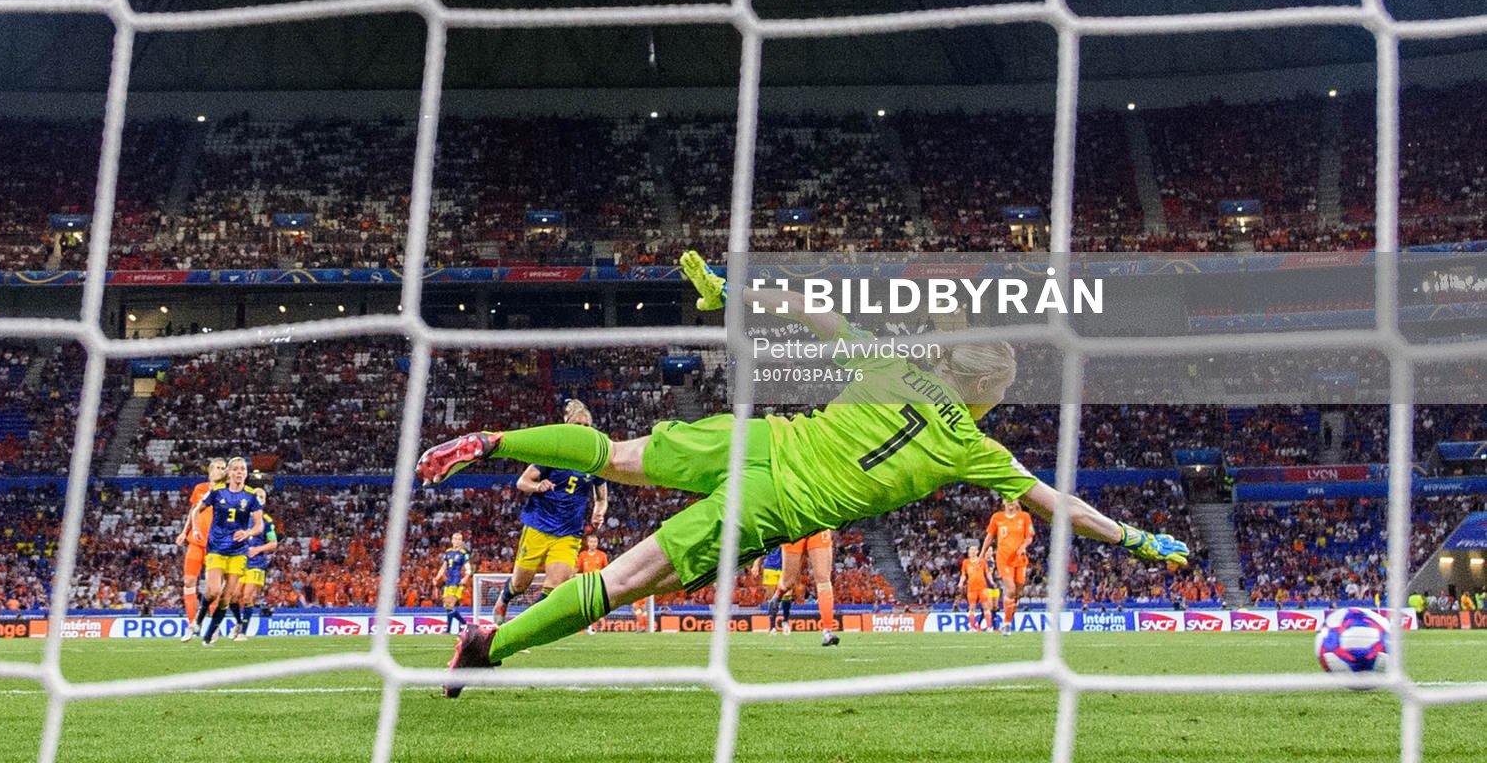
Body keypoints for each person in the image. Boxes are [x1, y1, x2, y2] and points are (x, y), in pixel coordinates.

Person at [421, 252, 1189, 696]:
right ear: (986, 393)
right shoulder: (976, 449)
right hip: (773, 503)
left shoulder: (893, 365)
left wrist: (732, 295)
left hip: (760, 439)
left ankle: (494, 440)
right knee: (625, 580)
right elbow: (1062, 507)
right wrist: (1139, 540)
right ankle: (493, 644)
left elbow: (808, 309)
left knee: (616, 456)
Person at [491, 400, 609, 624]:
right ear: (567, 425)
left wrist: (599, 511)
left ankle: (517, 627)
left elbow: (602, 498)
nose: (582, 430)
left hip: (569, 533)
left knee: (554, 589)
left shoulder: (595, 461)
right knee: (520, 584)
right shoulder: (553, 453)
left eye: (587, 426)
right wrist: (538, 486)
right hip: (539, 525)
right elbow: (522, 481)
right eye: (577, 424)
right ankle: (504, 598)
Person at [198, 456, 264, 646]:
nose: (239, 472)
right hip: (218, 549)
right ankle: (206, 623)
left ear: (246, 473)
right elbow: (198, 510)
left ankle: (211, 633)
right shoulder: (218, 492)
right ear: (229, 472)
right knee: (214, 591)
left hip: (240, 553)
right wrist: (195, 529)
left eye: (242, 469)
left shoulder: (251, 497)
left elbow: (260, 526)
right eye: (235, 469)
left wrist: (248, 532)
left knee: (233, 595)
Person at [174, 459, 223, 642]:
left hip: (215, 545)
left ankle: (213, 628)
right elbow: (193, 511)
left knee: (212, 588)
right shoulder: (200, 488)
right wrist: (183, 531)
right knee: (188, 580)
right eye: (217, 467)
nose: (220, 470)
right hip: (196, 542)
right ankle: (192, 624)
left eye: (222, 468)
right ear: (210, 471)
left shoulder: (226, 491)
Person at [982, 495, 1035, 633]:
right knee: (1010, 590)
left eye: (1013, 502)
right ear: (1004, 502)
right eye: (1008, 502)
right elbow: (989, 537)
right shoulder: (997, 517)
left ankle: (1008, 620)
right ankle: (1006, 623)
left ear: (1017, 502)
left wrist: (1023, 546)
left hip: (1020, 559)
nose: (1011, 505)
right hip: (1004, 558)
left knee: (1018, 593)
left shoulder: (1024, 517)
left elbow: (1029, 537)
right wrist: (982, 554)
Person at [232, 486, 277, 641]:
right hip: (239, 562)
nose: (258, 498)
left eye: (261, 497)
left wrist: (257, 549)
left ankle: (243, 632)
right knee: (233, 596)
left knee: (247, 597)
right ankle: (239, 623)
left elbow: (273, 544)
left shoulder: (267, 522)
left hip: (256, 563)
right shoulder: (239, 517)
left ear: (264, 502)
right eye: (256, 495)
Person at [779, 529, 840, 646]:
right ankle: (777, 599)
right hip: (794, 525)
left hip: (818, 524)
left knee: (823, 579)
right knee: (788, 582)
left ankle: (827, 631)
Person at [440, 533, 472, 634]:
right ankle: (465, 625)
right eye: (455, 539)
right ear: (452, 540)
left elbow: (468, 569)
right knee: (447, 606)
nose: (457, 541)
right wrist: (437, 577)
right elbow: (444, 567)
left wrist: (466, 577)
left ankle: (448, 630)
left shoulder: (463, 553)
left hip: (457, 581)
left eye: (459, 539)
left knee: (450, 605)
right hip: (449, 581)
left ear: (461, 542)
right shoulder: (448, 552)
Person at [960, 542, 996, 632]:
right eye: (969, 550)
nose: (970, 551)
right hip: (971, 588)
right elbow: (964, 574)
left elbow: (987, 573)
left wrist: (991, 581)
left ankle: (989, 627)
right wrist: (961, 582)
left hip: (982, 587)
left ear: (977, 552)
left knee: (986, 607)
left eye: (972, 550)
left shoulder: (982, 561)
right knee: (972, 608)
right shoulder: (966, 562)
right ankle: (972, 628)